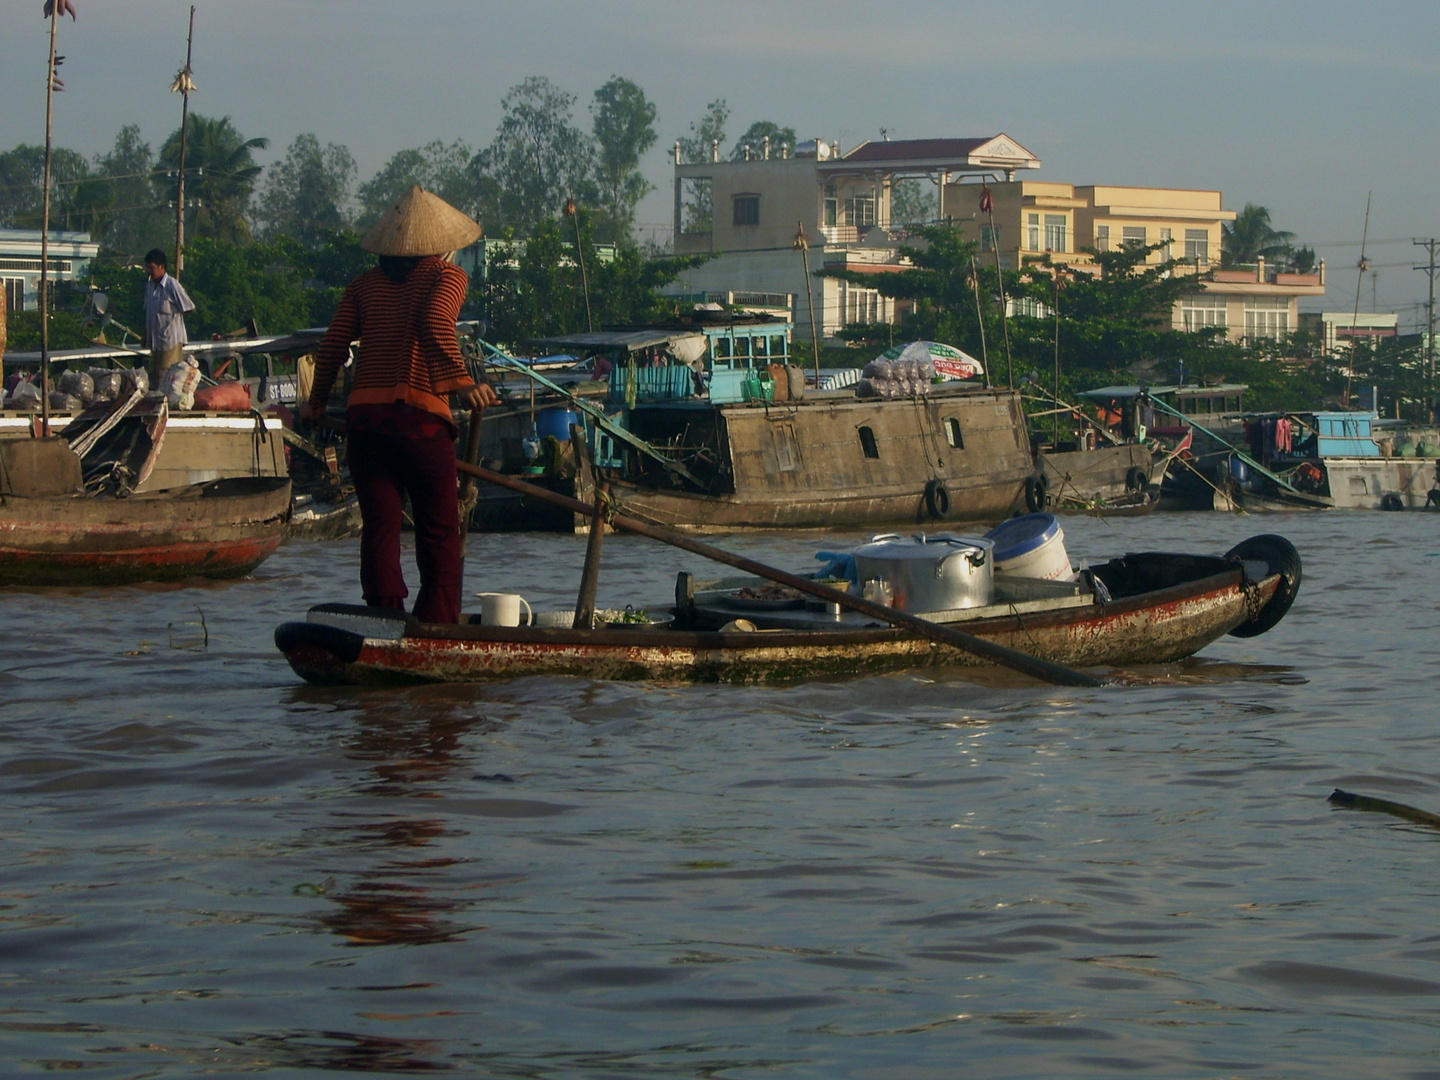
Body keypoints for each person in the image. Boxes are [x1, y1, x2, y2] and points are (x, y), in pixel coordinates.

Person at [305, 186, 499, 624]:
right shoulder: (446, 277)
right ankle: (438, 622)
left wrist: (316, 404)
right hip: (420, 421)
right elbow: (433, 321)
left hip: (366, 422)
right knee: (439, 531)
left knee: (381, 528)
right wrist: (463, 384)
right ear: (442, 244)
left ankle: (383, 618)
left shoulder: (364, 285)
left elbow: (333, 344)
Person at [141, 248, 195, 387]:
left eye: (151, 267)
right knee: (156, 376)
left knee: (167, 378)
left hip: (170, 341)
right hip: (155, 341)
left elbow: (189, 307)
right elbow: (149, 313)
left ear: (161, 267)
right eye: (147, 267)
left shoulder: (172, 285)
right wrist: (145, 334)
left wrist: (173, 320)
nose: (148, 271)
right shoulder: (149, 286)